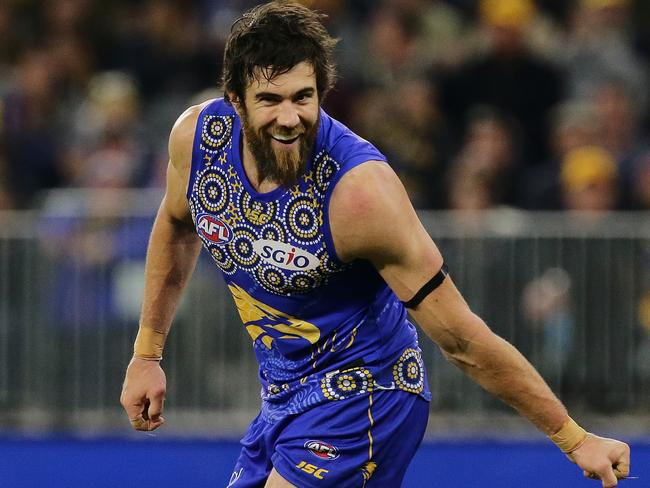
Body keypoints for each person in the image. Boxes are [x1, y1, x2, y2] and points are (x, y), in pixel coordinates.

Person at [120, 2, 631, 487]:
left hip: (370, 392)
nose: (290, 118)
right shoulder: (198, 140)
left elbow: (461, 339)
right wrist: (147, 354)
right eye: (269, 100)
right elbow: (175, 221)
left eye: (303, 97)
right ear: (234, 100)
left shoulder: (362, 196)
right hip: (284, 397)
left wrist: (573, 437)